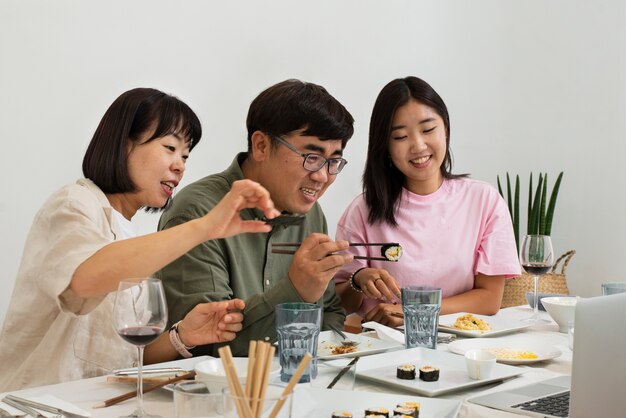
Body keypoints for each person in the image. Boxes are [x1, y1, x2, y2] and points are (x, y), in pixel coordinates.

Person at [0, 88, 279, 391]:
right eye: (170, 147)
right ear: (124, 144)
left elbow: (127, 356)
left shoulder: (130, 234)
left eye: (185, 155)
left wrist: (184, 335)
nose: (180, 165)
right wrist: (205, 226)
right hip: (35, 405)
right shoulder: (73, 204)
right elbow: (84, 281)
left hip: (96, 406)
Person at [157, 79, 355, 356]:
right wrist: (296, 291)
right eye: (312, 156)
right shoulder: (197, 213)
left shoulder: (310, 213)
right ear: (261, 145)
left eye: (334, 161)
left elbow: (330, 310)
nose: (322, 176)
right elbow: (208, 345)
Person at [334, 76, 520, 327]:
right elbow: (340, 303)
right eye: (400, 137)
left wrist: (413, 310)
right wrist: (359, 279)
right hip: (384, 350)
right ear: (385, 146)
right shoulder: (362, 210)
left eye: (428, 129)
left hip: (460, 343)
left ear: (445, 129)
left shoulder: (484, 200)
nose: (418, 146)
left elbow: (489, 299)